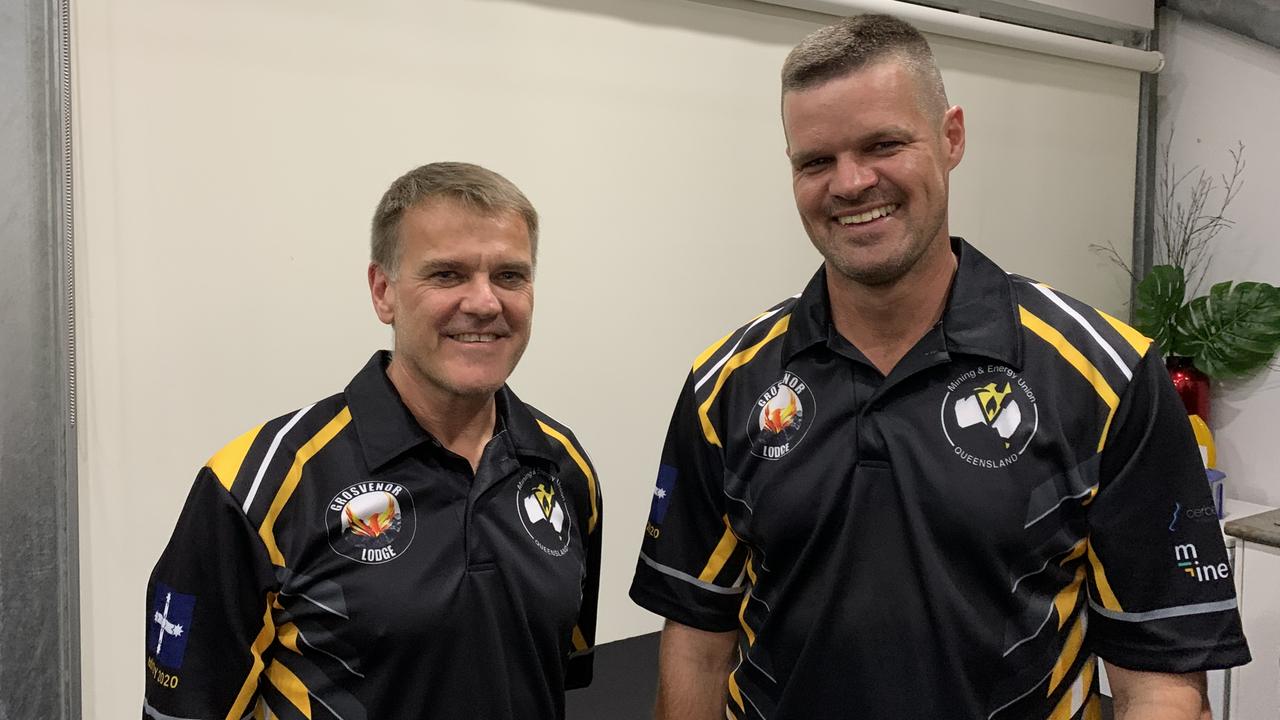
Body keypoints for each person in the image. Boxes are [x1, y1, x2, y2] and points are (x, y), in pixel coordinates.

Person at [629, 14, 1248, 720]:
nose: (851, 183)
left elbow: (1159, 681)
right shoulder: (727, 384)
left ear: (951, 137)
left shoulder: (1105, 373)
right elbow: (697, 643)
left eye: (884, 144)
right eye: (815, 161)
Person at [144, 162, 602, 720]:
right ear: (383, 292)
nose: (484, 303)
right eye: (447, 275)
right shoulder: (256, 484)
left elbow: (554, 673)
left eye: (510, 275)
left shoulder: (563, 467)